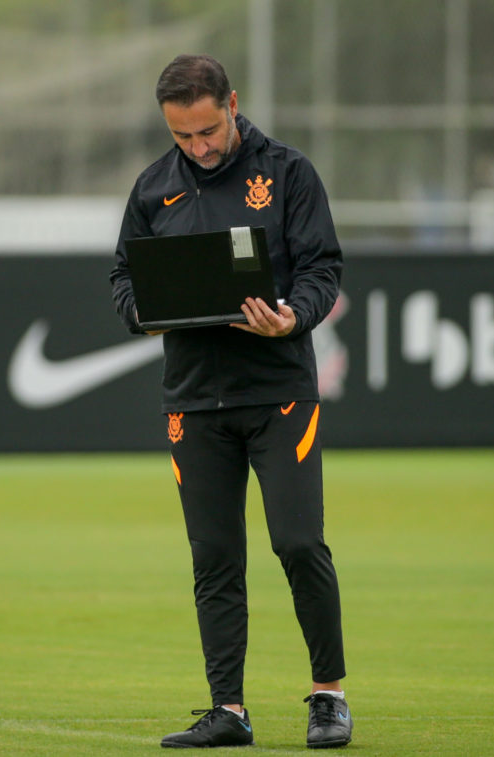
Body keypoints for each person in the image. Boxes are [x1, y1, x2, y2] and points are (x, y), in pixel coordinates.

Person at [110, 54, 351, 750]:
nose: (199, 147)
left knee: (298, 542)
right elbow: (124, 276)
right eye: (183, 136)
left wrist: (293, 316)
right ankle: (228, 709)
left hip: (278, 391)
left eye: (209, 130)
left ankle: (329, 696)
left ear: (233, 104)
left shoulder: (288, 173)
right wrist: (145, 312)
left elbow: (322, 267)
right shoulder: (153, 187)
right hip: (192, 399)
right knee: (214, 556)